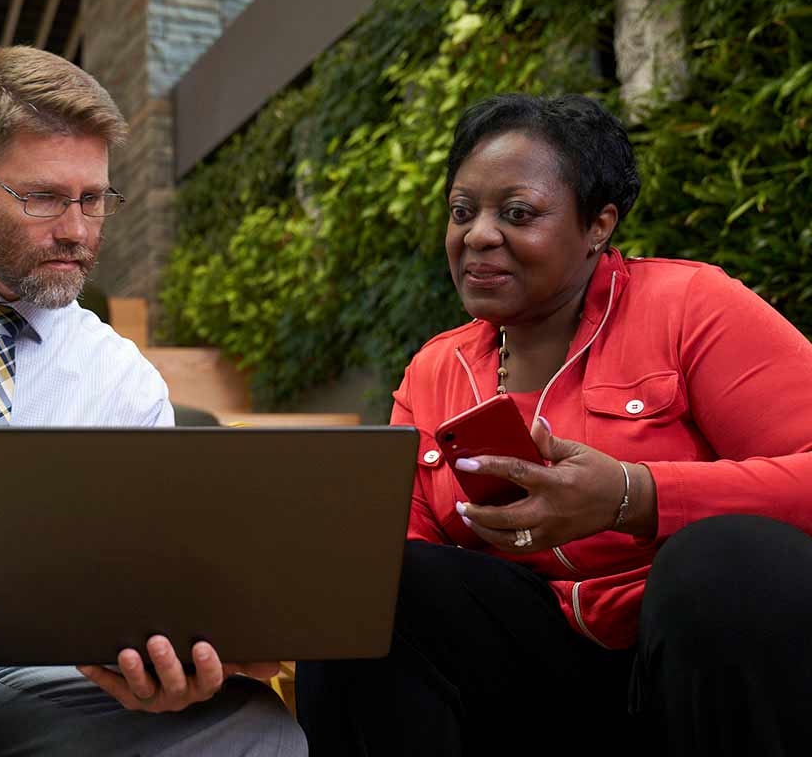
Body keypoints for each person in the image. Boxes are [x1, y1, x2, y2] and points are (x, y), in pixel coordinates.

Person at [0, 46, 306, 757]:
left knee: (253, 726)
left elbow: (151, 577)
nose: (77, 228)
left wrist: (159, 661)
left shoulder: (122, 380)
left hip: (34, 678)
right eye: (43, 197)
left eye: (95, 197)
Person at [296, 93, 812, 756]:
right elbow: (404, 561)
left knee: (725, 561)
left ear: (598, 225)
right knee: (368, 592)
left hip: (690, 663)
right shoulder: (434, 371)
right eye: (462, 212)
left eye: (517, 214)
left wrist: (636, 496)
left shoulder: (689, 306)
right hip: (540, 683)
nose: (478, 234)